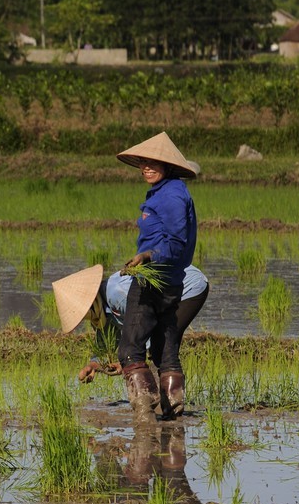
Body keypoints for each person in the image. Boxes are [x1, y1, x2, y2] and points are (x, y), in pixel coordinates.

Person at [110, 131, 199, 420]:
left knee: (130, 349)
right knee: (163, 347)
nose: (147, 167)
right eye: (143, 162)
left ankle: (144, 414)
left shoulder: (172, 195)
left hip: (154, 279)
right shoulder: (168, 191)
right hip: (171, 280)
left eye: (154, 163)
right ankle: (172, 410)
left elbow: (175, 242)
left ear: (168, 166)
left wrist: (146, 257)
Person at [53, 260, 210, 419]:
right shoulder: (103, 306)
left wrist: (126, 361)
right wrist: (95, 364)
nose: (85, 318)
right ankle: (162, 410)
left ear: (89, 302)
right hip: (171, 292)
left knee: (161, 346)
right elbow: (106, 336)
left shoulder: (118, 294)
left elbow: (142, 332)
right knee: (157, 348)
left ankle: (168, 411)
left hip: (189, 287)